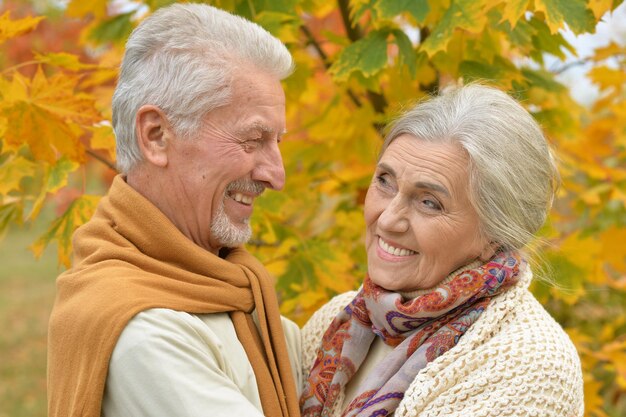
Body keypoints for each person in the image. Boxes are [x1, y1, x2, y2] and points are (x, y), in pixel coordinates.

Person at [47, 4, 301, 417]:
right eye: (253, 140)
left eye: (278, 142)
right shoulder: (145, 333)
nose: (277, 175)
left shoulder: (226, 285)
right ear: (156, 136)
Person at [299, 84, 584, 417]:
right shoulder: (335, 321)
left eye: (429, 202)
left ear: (494, 233)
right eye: (385, 181)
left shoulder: (529, 363)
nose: (388, 219)